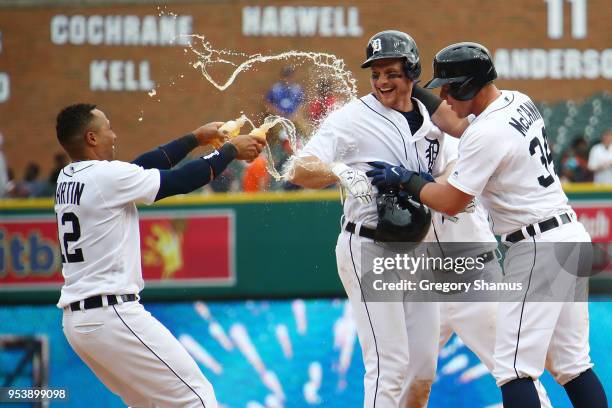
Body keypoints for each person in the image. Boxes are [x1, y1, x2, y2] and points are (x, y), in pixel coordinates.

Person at [368, 42, 607, 408]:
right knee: (573, 365)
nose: (444, 95)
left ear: (469, 85)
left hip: (536, 247)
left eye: (449, 87)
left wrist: (407, 180)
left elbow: (451, 201)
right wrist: (408, 84)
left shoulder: (488, 132)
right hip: (566, 235)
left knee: (513, 371)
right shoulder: (517, 99)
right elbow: (461, 125)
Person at [290, 30, 466, 407]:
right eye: (376, 73)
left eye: (392, 72)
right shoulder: (352, 118)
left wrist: (421, 182)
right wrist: (336, 170)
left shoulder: (431, 119)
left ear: (412, 72)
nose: (383, 81)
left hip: (419, 250)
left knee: (421, 371)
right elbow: (299, 170)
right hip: (370, 244)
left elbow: (454, 170)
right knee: (389, 367)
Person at [54, 103, 265, 408]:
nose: (114, 135)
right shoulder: (105, 178)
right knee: (197, 398)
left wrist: (194, 138)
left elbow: (140, 167)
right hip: (111, 314)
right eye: (107, 128)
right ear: (91, 138)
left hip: (81, 322)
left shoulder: (69, 176)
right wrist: (229, 151)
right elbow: (180, 181)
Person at [400, 137, 552, 408]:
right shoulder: (395, 148)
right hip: (426, 286)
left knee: (514, 372)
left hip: (476, 277)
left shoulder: (459, 140)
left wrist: (413, 183)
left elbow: (449, 184)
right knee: (403, 379)